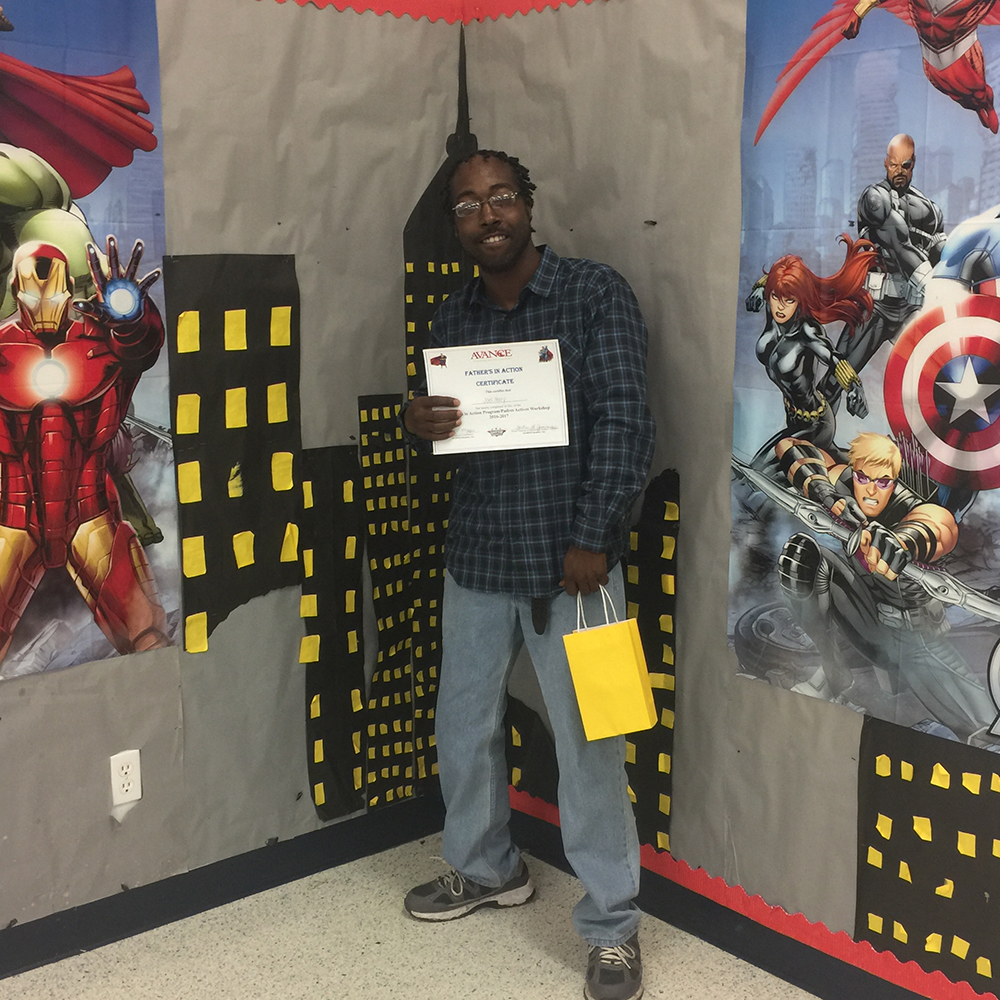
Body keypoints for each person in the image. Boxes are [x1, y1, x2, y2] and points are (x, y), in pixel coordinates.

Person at [401, 149, 655, 1000]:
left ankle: (613, 925)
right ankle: (486, 868)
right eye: (467, 205)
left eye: (501, 196)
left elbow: (626, 422)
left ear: (528, 204)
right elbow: (455, 443)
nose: (487, 215)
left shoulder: (594, 294)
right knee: (462, 726)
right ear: (456, 224)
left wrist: (593, 537)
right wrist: (419, 423)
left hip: (577, 567)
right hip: (479, 558)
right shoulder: (451, 318)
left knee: (592, 745)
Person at [0, 235, 168, 661]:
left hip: (90, 515)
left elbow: (143, 344)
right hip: (14, 520)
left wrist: (130, 317)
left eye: (52, 283)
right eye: (30, 284)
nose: (42, 296)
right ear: (15, 289)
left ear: (69, 287)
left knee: (147, 636)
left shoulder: (101, 343)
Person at [774, 432, 995, 736]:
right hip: (863, 618)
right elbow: (789, 446)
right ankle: (833, 669)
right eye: (863, 478)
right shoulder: (843, 483)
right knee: (800, 557)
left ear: (894, 480)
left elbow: (940, 526)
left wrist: (902, 542)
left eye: (883, 482)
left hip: (913, 638)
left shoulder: (909, 506)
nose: (871, 490)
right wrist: (824, 492)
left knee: (982, 731)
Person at [744, 235, 874, 475]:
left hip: (816, 423)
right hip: (793, 418)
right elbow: (775, 282)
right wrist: (761, 288)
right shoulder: (774, 314)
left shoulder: (807, 330)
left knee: (757, 471)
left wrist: (854, 385)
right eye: (775, 297)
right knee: (829, 460)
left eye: (789, 300)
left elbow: (833, 357)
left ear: (799, 300)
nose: (780, 307)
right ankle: (866, 464)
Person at [834, 135, 945, 386]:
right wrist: (937, 291)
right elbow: (898, 245)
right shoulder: (875, 198)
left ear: (913, 163)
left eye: (905, 165)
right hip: (877, 306)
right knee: (838, 378)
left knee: (938, 375)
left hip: (912, 308)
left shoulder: (930, 209)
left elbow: (940, 252)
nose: (899, 171)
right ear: (886, 162)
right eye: (894, 164)